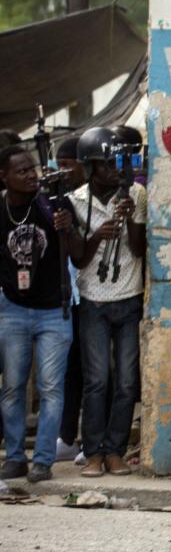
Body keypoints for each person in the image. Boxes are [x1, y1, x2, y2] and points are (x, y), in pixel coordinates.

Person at [0, 145, 84, 482]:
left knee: (51, 388)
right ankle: (16, 457)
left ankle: (43, 461)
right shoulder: (1, 207)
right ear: (4, 176)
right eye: (21, 171)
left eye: (32, 169)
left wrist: (66, 229)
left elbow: (78, 256)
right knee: (13, 387)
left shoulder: (54, 204)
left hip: (54, 310)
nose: (31, 175)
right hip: (12, 308)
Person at [69, 127, 147, 478]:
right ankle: (92, 452)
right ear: (90, 167)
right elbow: (80, 260)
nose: (115, 169)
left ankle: (114, 450)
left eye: (118, 161)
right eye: (105, 164)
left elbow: (139, 250)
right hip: (93, 301)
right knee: (97, 380)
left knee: (128, 381)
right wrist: (96, 235)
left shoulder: (136, 193)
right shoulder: (75, 201)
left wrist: (130, 215)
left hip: (129, 299)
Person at [52, 136, 87, 463]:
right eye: (59, 165)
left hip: (88, 295)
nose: (62, 172)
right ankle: (65, 436)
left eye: (68, 165)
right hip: (64, 299)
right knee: (65, 372)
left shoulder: (86, 200)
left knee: (89, 370)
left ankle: (87, 440)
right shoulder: (53, 200)